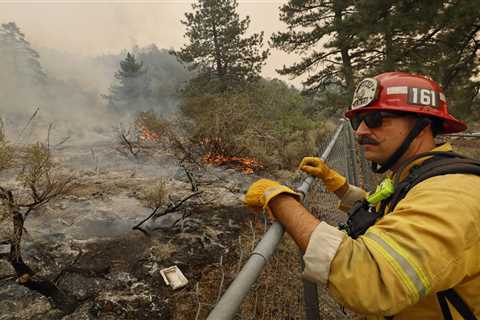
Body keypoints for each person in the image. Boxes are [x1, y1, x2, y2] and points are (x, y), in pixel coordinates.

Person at [244, 72, 480, 319]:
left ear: (424, 125)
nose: (360, 132)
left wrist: (280, 200)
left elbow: (370, 278)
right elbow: (389, 213)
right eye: (358, 121)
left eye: (375, 118)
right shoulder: (416, 175)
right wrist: (336, 183)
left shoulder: (451, 195)